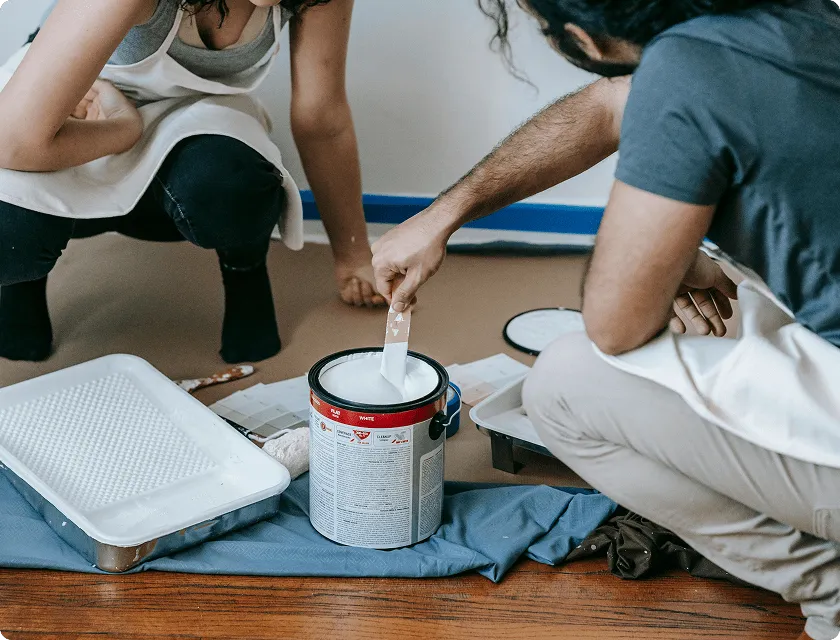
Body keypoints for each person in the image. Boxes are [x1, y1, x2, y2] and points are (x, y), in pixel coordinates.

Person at [370, 1, 840, 638]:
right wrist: (444, 214)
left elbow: (615, 324)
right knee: (761, 287)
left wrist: (667, 261)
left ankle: (829, 584)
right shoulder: (791, 14)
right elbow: (607, 106)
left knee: (563, 384)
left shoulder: (685, 74)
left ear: (582, 37)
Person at [0, 0, 384, 365]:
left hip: (192, 113)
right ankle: (22, 285)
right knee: (11, 232)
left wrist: (353, 255)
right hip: (75, 113)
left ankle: (244, 269)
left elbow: (322, 120)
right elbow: (14, 143)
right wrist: (123, 126)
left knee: (232, 188)